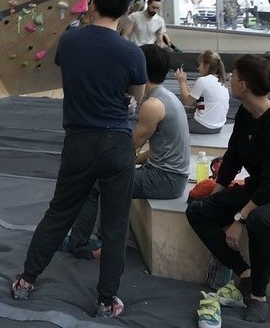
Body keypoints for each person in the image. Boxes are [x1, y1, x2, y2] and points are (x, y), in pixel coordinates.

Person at [9, 0, 147, 318]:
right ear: (128, 9)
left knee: (59, 214)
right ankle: (105, 302)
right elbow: (137, 98)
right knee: (115, 225)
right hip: (116, 143)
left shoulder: (70, 42)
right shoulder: (132, 52)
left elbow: (72, 75)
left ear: (92, 3)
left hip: (79, 142)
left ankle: (26, 281)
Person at [186, 54, 270, 324]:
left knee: (259, 221)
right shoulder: (246, 114)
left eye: (233, 76)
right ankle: (244, 273)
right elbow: (233, 156)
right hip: (261, 188)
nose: (229, 79)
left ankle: (258, 296)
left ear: (243, 85)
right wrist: (217, 192)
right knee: (198, 211)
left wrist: (239, 218)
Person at [65, 43, 192, 256]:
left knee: (95, 183)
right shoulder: (167, 97)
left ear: (140, 69)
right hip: (169, 175)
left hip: (166, 180)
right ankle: (101, 240)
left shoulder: (153, 105)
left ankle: (85, 245)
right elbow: (157, 150)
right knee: (106, 177)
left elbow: (127, 147)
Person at [175, 50, 230, 133]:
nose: (198, 68)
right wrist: (185, 84)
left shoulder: (203, 81)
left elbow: (186, 101)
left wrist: (181, 82)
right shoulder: (221, 81)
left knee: (173, 120)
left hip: (203, 125)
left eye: (200, 65)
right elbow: (195, 100)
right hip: (218, 127)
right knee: (188, 112)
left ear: (206, 66)